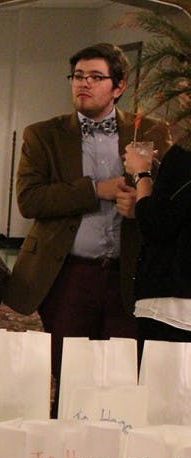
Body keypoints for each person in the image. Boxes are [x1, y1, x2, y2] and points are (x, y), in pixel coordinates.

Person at [4, 43, 172, 412]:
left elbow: (169, 206)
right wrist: (96, 190)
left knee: (122, 373)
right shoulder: (43, 134)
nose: (84, 84)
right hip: (68, 272)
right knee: (69, 373)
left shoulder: (153, 133)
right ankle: (66, 453)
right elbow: (30, 200)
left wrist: (140, 206)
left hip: (128, 273)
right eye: (78, 76)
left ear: (119, 86)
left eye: (96, 77)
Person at [118, 80, 190, 344]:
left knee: (163, 383)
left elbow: (156, 225)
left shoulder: (185, 152)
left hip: (174, 300)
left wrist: (142, 174)